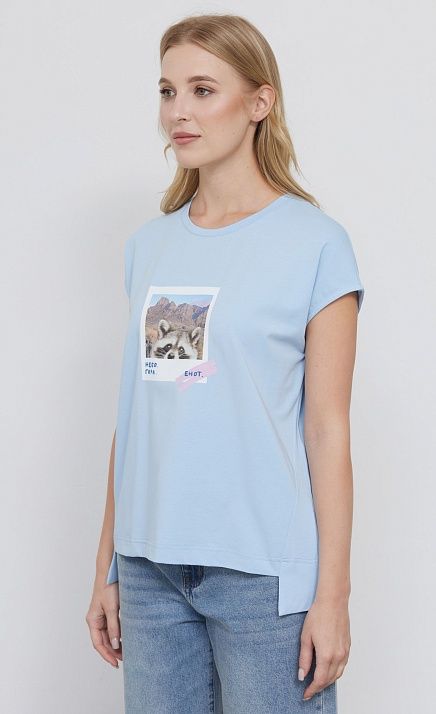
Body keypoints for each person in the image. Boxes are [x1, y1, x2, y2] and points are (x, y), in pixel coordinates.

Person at [86, 13, 365, 713]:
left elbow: (327, 429)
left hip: (262, 579)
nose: (178, 111)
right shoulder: (150, 247)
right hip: (150, 573)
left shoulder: (316, 245)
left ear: (259, 102)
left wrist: (332, 596)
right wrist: (108, 564)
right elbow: (144, 412)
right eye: (167, 91)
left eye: (203, 90)